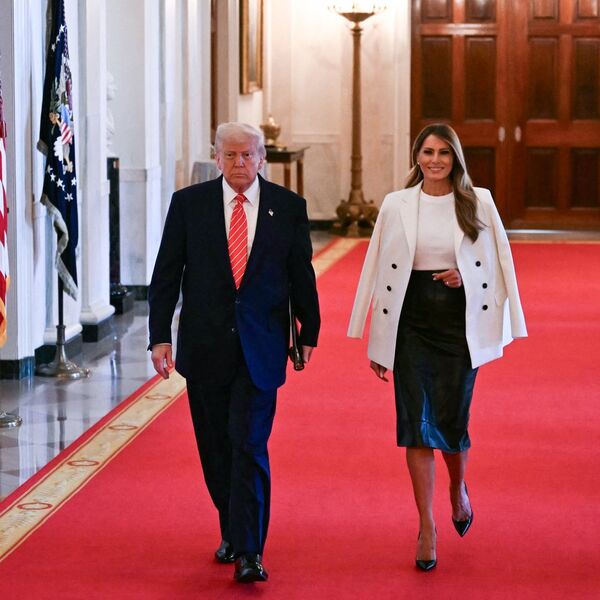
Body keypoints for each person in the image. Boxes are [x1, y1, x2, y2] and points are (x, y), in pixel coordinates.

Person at [348, 123, 527, 571]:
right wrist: (375, 341)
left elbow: (500, 260)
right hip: (409, 319)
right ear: (417, 156)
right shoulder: (396, 203)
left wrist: (465, 275)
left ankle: (457, 487)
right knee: (416, 424)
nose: (435, 160)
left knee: (450, 421)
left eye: (444, 153)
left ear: (455, 158)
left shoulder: (477, 201)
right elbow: (375, 266)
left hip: (458, 322)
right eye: (428, 152)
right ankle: (426, 525)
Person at [148, 122, 320, 583]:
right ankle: (231, 524)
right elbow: (166, 274)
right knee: (216, 450)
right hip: (205, 346)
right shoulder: (190, 205)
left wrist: (309, 330)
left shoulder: (287, 207)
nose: (239, 163)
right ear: (217, 158)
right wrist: (159, 336)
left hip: (260, 347)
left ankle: (249, 551)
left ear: (262, 158)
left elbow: (301, 274)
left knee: (248, 444)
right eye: (230, 155)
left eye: (247, 155)